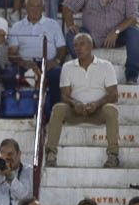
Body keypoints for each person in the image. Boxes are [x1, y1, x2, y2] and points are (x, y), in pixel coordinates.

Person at [45, 33, 120, 169]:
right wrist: (75, 103)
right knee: (58, 108)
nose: (78, 48)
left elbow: (114, 95)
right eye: (75, 45)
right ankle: (51, 154)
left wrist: (97, 104)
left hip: (98, 112)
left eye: (82, 44)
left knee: (111, 109)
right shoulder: (68, 67)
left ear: (91, 46)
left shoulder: (106, 66)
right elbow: (64, 95)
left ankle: (113, 155)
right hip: (76, 111)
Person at [60, 0, 138, 85]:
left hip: (116, 37)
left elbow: (133, 17)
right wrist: (71, 24)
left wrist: (116, 31)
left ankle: (132, 75)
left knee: (134, 33)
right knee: (72, 35)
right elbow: (67, 6)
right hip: (90, 35)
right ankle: (82, 71)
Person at [2, 0, 67, 119]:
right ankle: (14, 110)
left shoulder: (53, 25)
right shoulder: (17, 26)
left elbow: (62, 48)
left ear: (43, 8)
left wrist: (56, 61)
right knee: (8, 74)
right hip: (24, 64)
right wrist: (25, 63)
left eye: (39, 6)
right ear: (26, 7)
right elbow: (12, 53)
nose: (35, 9)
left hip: (48, 63)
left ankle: (55, 113)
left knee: (58, 74)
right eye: (32, 5)